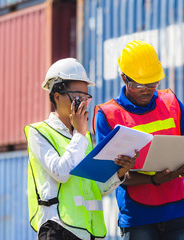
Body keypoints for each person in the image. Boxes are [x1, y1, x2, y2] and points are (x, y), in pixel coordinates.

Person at [93, 40, 184, 240]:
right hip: (138, 218)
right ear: (124, 78)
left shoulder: (170, 101)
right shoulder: (108, 115)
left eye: (152, 83)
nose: (147, 89)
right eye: (139, 84)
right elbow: (111, 175)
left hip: (177, 213)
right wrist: (153, 179)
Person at [24, 58, 136, 240]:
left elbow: (95, 187)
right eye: (77, 97)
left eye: (85, 97)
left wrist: (119, 173)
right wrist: (79, 134)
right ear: (56, 95)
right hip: (57, 228)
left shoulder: (83, 137)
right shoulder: (39, 133)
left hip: (89, 231)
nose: (83, 102)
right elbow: (60, 172)